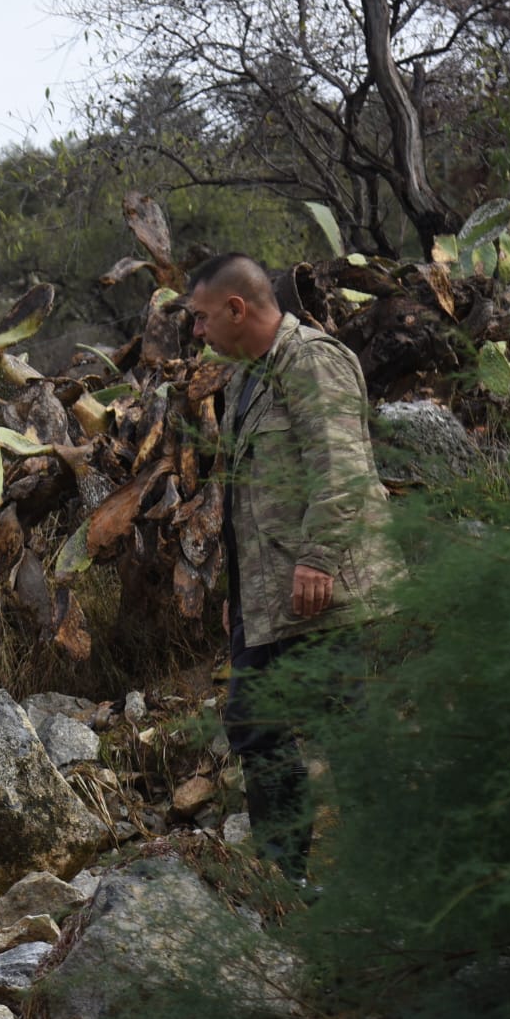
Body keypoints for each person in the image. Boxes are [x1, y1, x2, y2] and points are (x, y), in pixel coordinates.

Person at [187, 253, 401, 879]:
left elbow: (342, 471)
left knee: (343, 729)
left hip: (318, 591)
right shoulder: (246, 379)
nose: (197, 331)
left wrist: (317, 560)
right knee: (255, 727)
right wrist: (239, 597)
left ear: (236, 308)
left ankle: (388, 875)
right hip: (269, 598)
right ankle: (287, 884)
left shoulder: (311, 361)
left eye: (202, 317)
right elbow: (247, 502)